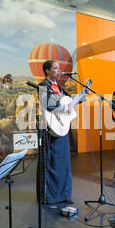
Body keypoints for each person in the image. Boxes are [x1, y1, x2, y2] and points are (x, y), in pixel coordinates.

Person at [38, 60, 88, 205]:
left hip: (62, 127)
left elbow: (69, 101)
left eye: (59, 68)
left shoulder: (58, 88)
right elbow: (47, 104)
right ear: (47, 71)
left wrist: (83, 96)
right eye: (55, 68)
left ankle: (64, 194)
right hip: (49, 129)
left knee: (64, 163)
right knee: (51, 163)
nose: (59, 71)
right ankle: (50, 196)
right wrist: (65, 109)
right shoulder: (43, 85)